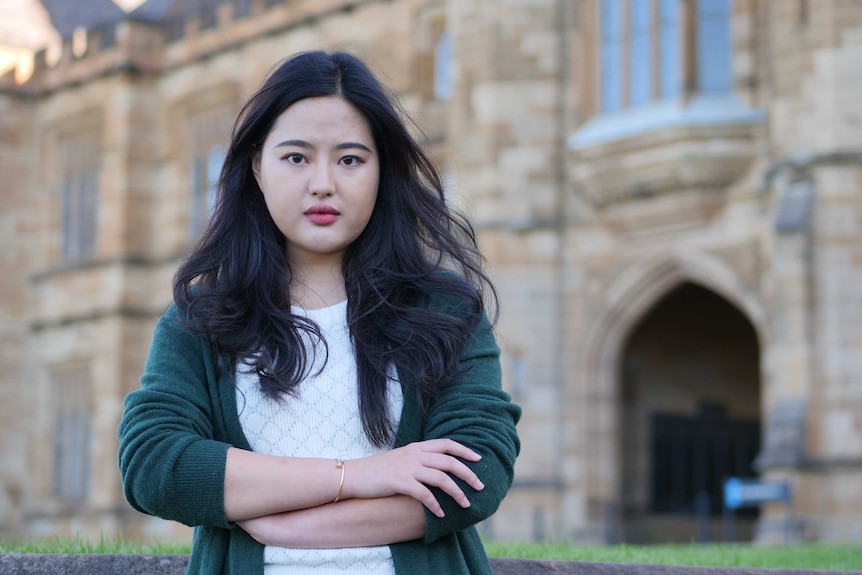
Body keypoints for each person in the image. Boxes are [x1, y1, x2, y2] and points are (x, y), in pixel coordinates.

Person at [117, 50, 521, 575]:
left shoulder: (445, 308)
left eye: (350, 159)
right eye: (296, 157)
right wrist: (360, 476)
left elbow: (478, 470)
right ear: (257, 167)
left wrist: (280, 520)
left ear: (383, 171)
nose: (324, 183)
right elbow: (154, 465)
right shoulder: (203, 316)